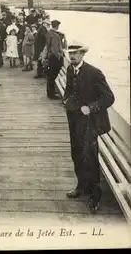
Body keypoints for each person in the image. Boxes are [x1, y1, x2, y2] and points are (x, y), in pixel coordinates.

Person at [64, 41, 115, 213]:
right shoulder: (71, 69)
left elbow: (109, 98)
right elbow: (69, 89)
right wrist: (67, 101)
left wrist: (91, 108)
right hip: (74, 119)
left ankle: (95, 194)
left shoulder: (94, 73)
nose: (72, 56)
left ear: (82, 54)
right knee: (76, 152)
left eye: (76, 53)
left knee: (90, 156)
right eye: (70, 53)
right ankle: (81, 186)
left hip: (90, 122)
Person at [42, 19, 64, 99]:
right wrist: (59, 57)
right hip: (54, 57)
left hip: (49, 56)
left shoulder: (49, 33)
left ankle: (50, 92)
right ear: (57, 26)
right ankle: (51, 94)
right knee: (53, 75)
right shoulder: (55, 35)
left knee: (50, 75)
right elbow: (55, 48)